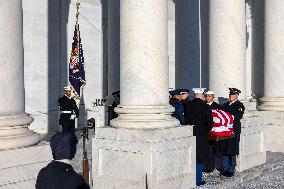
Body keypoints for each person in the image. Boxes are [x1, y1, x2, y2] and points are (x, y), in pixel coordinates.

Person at [184, 88, 214, 186]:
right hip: (201, 135)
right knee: (199, 157)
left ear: (194, 95)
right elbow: (210, 123)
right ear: (202, 95)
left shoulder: (188, 105)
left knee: (191, 156)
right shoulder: (205, 107)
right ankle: (197, 180)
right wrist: (205, 131)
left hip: (189, 133)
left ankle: (189, 179)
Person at [218, 88, 245, 177]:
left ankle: (231, 168)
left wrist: (227, 117)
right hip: (225, 130)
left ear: (237, 96)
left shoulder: (239, 106)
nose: (231, 96)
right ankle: (225, 168)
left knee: (232, 149)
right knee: (225, 148)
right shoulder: (225, 104)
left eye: (233, 95)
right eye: (230, 95)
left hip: (233, 130)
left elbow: (237, 117)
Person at [203, 90, 223, 173]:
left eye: (209, 96)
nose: (207, 98)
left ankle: (214, 166)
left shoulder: (217, 106)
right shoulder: (203, 105)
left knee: (214, 149)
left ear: (213, 97)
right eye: (206, 96)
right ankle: (207, 166)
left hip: (214, 130)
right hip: (205, 130)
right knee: (207, 149)